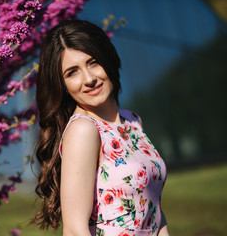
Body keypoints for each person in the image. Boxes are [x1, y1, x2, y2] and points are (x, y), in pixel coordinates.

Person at [33, 19, 169, 236]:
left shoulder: (133, 120)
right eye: (72, 72)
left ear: (108, 59)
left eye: (93, 62)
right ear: (63, 85)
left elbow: (155, 211)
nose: (89, 79)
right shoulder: (84, 130)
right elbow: (75, 229)